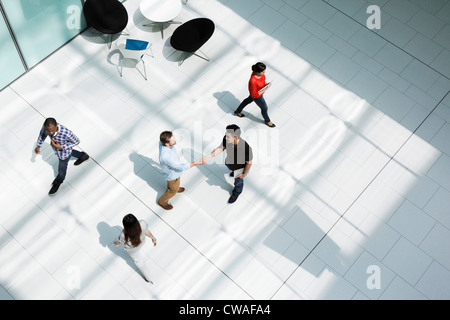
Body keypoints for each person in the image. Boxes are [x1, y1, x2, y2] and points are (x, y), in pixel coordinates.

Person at [34, 117, 89, 196]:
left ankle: (58, 181)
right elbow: (42, 136)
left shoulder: (66, 133)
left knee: (61, 170)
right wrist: (38, 146)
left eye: (52, 130)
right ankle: (83, 155)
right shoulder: (46, 127)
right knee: (71, 153)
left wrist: (62, 147)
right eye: (49, 131)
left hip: (64, 154)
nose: (51, 133)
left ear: (56, 125)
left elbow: (77, 141)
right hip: (60, 151)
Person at [203, 124, 253, 204]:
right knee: (228, 166)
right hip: (229, 162)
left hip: (239, 168)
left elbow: (249, 163)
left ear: (235, 138)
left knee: (238, 182)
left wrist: (244, 174)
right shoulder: (226, 139)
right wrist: (209, 156)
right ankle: (232, 171)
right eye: (226, 135)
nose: (225, 138)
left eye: (228, 136)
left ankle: (236, 193)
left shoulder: (246, 148)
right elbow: (221, 148)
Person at [158, 131, 203, 210]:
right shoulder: (166, 157)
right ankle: (162, 201)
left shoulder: (163, 143)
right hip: (172, 175)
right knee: (172, 190)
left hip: (174, 173)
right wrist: (196, 163)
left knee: (176, 182)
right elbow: (180, 167)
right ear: (166, 144)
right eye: (173, 140)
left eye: (174, 138)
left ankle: (175, 187)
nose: (175, 140)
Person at [114, 214, 157, 284]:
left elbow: (121, 242)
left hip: (133, 249)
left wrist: (116, 243)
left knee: (139, 261)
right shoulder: (142, 223)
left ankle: (149, 278)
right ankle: (149, 279)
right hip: (142, 242)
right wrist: (153, 238)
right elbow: (147, 232)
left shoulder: (123, 235)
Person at [234, 62, 276, 128]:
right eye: (263, 72)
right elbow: (255, 95)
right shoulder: (253, 81)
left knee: (247, 101)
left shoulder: (258, 74)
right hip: (257, 97)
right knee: (264, 108)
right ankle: (267, 121)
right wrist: (266, 88)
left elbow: (262, 80)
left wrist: (265, 84)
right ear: (257, 72)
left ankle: (237, 111)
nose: (264, 73)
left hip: (255, 93)